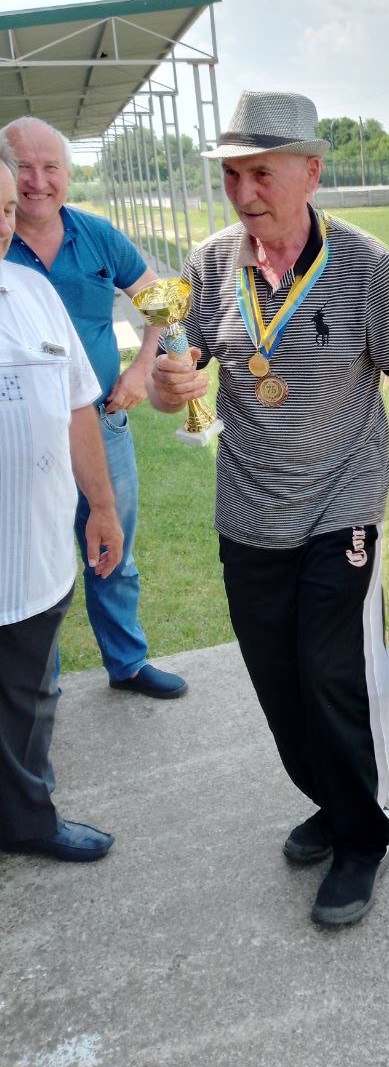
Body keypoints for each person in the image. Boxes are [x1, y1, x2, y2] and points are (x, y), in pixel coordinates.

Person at [146, 90, 389, 926]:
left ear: (311, 172)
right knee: (279, 685)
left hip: (343, 506)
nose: (244, 192)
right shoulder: (209, 265)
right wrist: (167, 384)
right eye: (232, 175)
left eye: (261, 173)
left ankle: (363, 838)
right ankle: (333, 804)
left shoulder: (368, 267)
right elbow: (173, 379)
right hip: (247, 512)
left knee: (334, 676)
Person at [0, 117, 187, 699]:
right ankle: (39, 688)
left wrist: (141, 367)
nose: (37, 181)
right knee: (35, 563)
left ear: (68, 173)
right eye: (23, 167)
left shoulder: (98, 235)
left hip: (102, 424)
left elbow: (164, 304)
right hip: (25, 436)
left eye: (51, 167)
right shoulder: (3, 244)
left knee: (114, 549)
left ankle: (127, 663)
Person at [0, 144, 123, 862]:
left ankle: (27, 821)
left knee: (30, 696)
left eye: (5, 209)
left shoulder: (34, 292)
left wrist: (102, 506)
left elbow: (79, 403)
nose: (3, 225)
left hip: (35, 556)